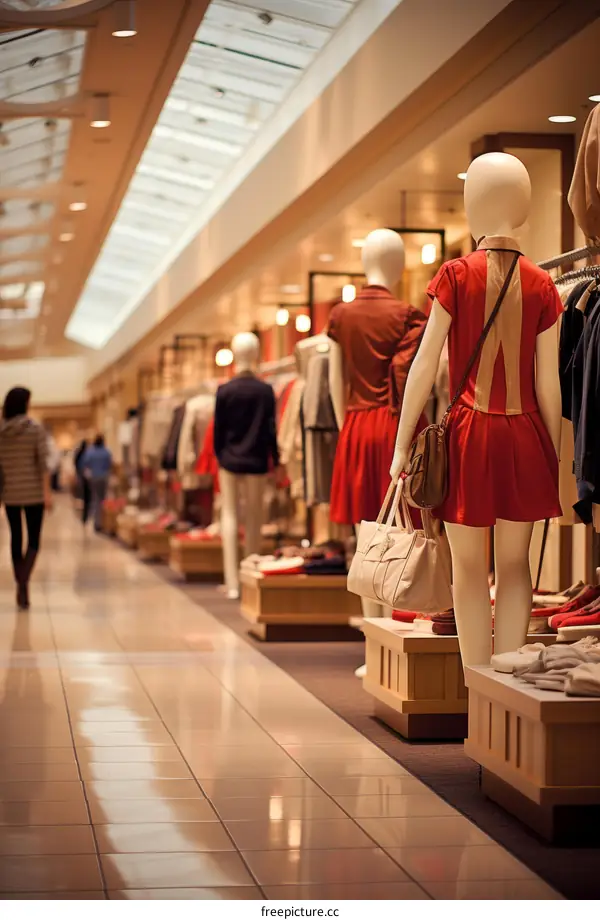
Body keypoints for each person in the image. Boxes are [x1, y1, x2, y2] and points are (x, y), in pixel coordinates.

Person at [0, 387, 52, 610]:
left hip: (10, 492)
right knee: (33, 540)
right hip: (33, 494)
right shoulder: (35, 429)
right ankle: (23, 581)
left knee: (15, 537)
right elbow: (43, 464)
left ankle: (20, 582)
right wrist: (47, 493)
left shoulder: (1, 432)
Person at [81, 434, 112, 532]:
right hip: (103, 477)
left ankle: (96, 522)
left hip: (93, 478)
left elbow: (85, 464)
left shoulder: (90, 452)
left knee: (95, 499)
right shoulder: (106, 452)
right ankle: (100, 522)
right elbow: (109, 465)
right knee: (102, 500)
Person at [74, 438, 90, 523]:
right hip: (85, 478)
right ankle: (84, 514)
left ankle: (83, 514)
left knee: (82, 496)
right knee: (85, 497)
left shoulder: (80, 454)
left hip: (81, 477)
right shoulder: (87, 454)